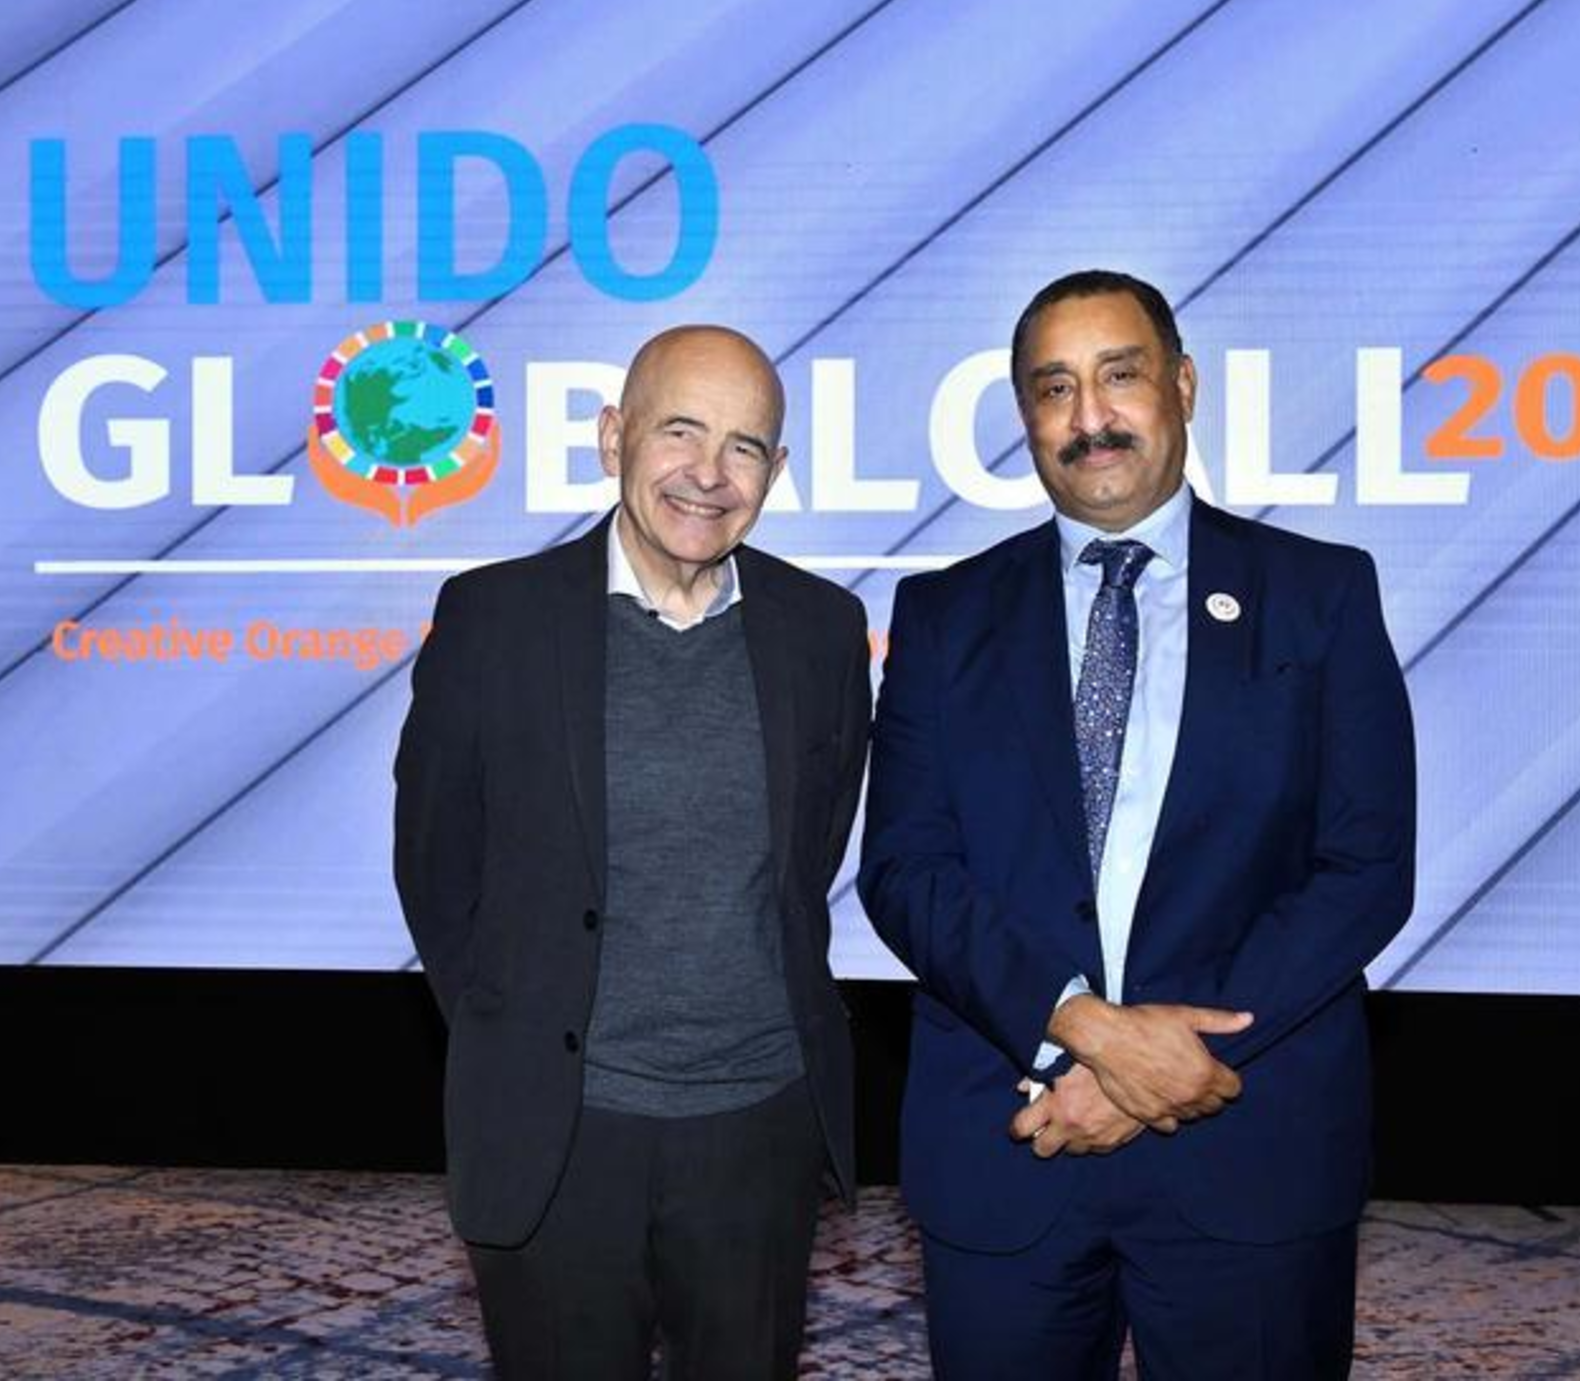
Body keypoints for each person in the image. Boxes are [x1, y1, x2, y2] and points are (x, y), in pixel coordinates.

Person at [860, 271, 1415, 1379]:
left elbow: (1365, 867)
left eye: (1119, 375)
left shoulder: (1320, 595)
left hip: (1246, 1142)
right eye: (1054, 388)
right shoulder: (944, 614)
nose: (1090, 416)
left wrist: (1171, 1063)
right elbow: (907, 871)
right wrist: (1087, 1033)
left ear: (1183, 386)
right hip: (1009, 1146)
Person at [395, 325, 872, 1380]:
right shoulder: (492, 619)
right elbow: (436, 866)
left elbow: (807, 858)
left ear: (777, 469)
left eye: (745, 447)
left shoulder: (825, 630)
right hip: (562, 1132)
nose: (710, 473)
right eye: (680, 431)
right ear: (614, 437)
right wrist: (520, 1029)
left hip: (757, 1125)